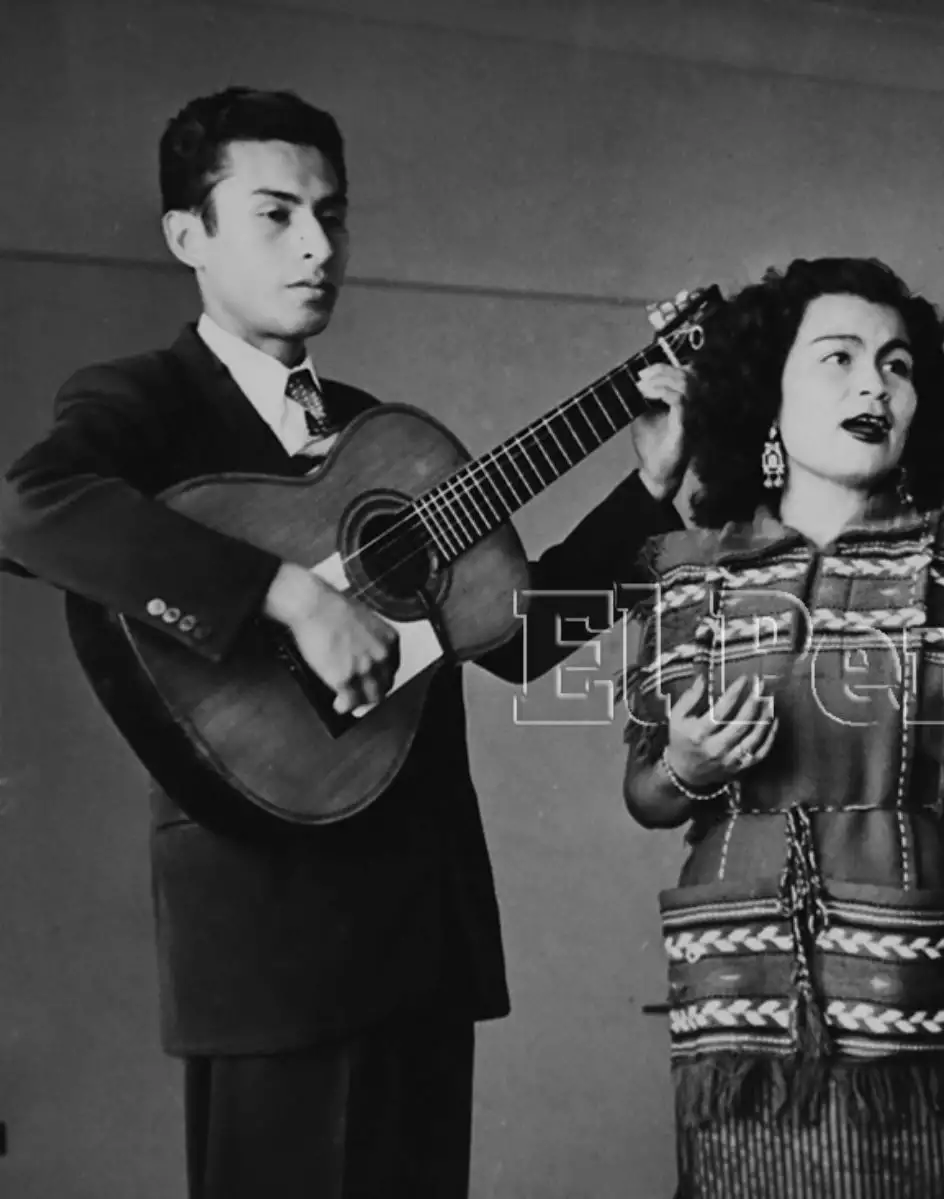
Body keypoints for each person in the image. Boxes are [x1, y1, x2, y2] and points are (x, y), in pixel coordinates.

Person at [0, 87, 690, 1198]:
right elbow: (29, 508)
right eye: (275, 213)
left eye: (333, 214)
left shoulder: (382, 435)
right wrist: (285, 592)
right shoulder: (143, 400)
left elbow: (514, 642)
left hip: (420, 926)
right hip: (268, 935)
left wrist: (646, 489)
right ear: (189, 236)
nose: (318, 244)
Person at [620, 257, 944, 1198]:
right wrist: (693, 762)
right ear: (767, 396)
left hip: (938, 1009)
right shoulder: (685, 569)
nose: (874, 383)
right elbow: (647, 794)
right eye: (838, 357)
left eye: (897, 364)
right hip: (745, 1016)